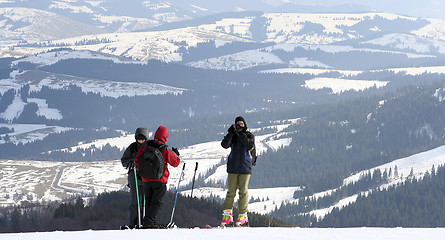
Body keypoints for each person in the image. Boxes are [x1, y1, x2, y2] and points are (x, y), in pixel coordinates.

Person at [135, 126, 181, 228]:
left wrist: (142, 172)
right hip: (160, 180)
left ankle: (149, 221)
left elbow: (137, 160)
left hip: (146, 179)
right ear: (164, 137)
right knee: (157, 202)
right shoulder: (165, 148)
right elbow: (176, 162)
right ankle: (149, 221)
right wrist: (176, 154)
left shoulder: (146, 145)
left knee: (148, 201)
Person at [220, 116, 256, 227]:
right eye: (238, 123)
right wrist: (231, 132)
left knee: (243, 192)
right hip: (233, 168)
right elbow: (224, 145)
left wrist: (242, 133)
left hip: (245, 168)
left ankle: (242, 215)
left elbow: (249, 145)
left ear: (245, 125)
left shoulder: (249, 135)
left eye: (241, 123)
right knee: (231, 192)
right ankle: (227, 215)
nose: (240, 125)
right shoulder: (233, 136)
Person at [120, 127, 149, 229]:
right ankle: (133, 224)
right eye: (139, 139)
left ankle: (144, 222)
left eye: (142, 139)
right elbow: (124, 160)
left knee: (144, 202)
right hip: (134, 179)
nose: (140, 141)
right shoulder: (132, 148)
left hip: (145, 178)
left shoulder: (149, 147)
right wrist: (132, 161)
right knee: (134, 202)